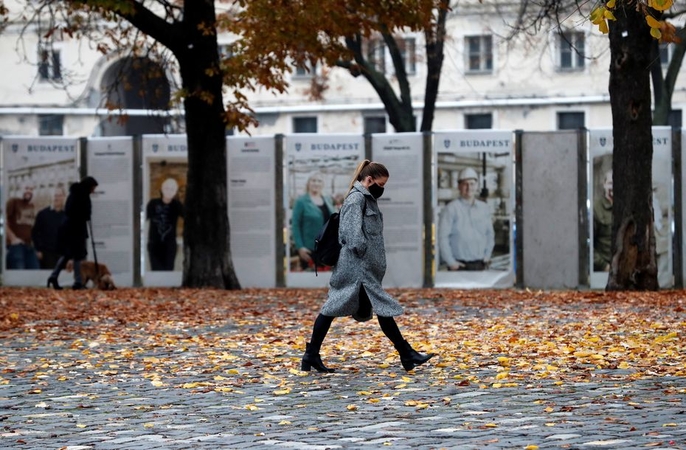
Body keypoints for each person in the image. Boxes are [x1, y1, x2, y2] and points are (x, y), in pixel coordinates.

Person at [301, 160, 435, 373]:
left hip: (362, 268)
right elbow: (352, 235)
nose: (382, 189)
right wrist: (364, 254)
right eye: (380, 184)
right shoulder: (356, 200)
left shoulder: (366, 199)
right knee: (350, 308)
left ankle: (311, 355)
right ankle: (406, 353)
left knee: (338, 308)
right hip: (357, 268)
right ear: (369, 180)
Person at [438, 167, 494, 271]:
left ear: (477, 186)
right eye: (465, 184)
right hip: (459, 266)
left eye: (472, 184)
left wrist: (487, 256)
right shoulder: (451, 209)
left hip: (481, 264)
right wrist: (451, 262)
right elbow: (442, 238)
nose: (469, 188)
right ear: (459, 186)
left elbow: (490, 234)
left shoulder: (484, 208)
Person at [47, 176, 99, 290]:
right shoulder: (82, 195)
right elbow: (78, 212)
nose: (94, 190)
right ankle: (78, 282)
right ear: (89, 186)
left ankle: (54, 276)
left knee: (68, 255)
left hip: (70, 229)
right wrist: (85, 215)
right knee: (77, 255)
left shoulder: (76, 193)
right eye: (93, 187)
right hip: (75, 230)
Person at [291, 172, 335, 271]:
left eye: (319, 181)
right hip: (309, 249)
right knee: (310, 278)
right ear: (308, 183)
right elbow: (295, 225)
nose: (316, 183)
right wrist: (300, 247)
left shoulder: (327, 199)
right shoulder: (301, 201)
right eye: (313, 180)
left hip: (327, 248)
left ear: (322, 184)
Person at [146, 177, 184, 271]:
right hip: (154, 244)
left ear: (175, 191)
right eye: (167, 188)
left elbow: (187, 217)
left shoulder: (176, 205)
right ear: (162, 189)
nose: (169, 191)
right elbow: (147, 221)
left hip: (169, 246)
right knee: (156, 271)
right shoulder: (153, 203)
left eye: (172, 189)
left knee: (168, 271)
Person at [5, 182, 40, 269]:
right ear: (21, 189)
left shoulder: (31, 206)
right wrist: (13, 238)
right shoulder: (13, 201)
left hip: (28, 246)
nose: (29, 191)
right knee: (19, 273)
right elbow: (4, 220)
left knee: (35, 271)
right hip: (16, 246)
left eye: (31, 189)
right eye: (26, 188)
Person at [32, 184, 67, 269]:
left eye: (59, 195)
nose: (56, 198)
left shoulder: (68, 215)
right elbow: (35, 233)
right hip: (47, 254)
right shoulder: (43, 214)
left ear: (64, 197)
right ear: (52, 197)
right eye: (55, 195)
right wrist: (38, 249)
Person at [593, 169, 612, 272]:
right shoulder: (596, 208)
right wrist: (604, 265)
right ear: (604, 185)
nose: (613, 187)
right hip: (602, 270)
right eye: (610, 183)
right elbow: (589, 244)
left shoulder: (625, 208)